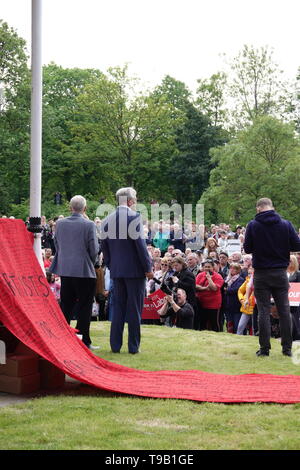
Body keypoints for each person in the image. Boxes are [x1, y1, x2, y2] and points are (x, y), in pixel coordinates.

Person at [244, 197, 300, 357]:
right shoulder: (285, 224)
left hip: (261, 273)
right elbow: (297, 245)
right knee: (284, 310)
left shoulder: (253, 225)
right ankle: (287, 349)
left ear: (258, 209)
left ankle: (264, 349)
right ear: (272, 207)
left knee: (263, 311)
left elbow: (247, 248)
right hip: (280, 273)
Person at [101, 187, 153, 354]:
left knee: (117, 309)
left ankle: (115, 346)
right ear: (130, 201)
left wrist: (111, 266)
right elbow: (140, 247)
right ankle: (133, 347)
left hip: (117, 271)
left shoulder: (106, 220)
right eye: (135, 199)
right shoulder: (134, 217)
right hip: (135, 271)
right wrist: (148, 268)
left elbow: (105, 248)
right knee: (134, 310)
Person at [49, 195, 99, 349]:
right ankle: (83, 341)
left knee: (66, 306)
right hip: (84, 271)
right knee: (84, 307)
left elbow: (57, 244)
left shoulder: (60, 224)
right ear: (84, 209)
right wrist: (90, 261)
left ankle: (64, 340)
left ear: (70, 208)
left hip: (66, 270)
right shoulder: (89, 224)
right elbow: (94, 249)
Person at [196, 259, 224, 331]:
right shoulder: (200, 275)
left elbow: (214, 288)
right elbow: (195, 286)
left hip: (213, 304)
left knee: (214, 322)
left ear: (213, 268)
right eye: (205, 267)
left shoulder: (218, 276)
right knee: (202, 322)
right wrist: (205, 288)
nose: (207, 269)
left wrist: (209, 278)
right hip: (201, 302)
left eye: (209, 267)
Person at [224, 263, 245, 333]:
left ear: (238, 270)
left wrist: (226, 290)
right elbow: (222, 287)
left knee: (237, 324)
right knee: (229, 323)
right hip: (228, 305)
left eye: (234, 268)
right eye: (231, 268)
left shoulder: (240, 279)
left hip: (236, 305)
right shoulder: (227, 278)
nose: (231, 270)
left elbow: (236, 289)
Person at [287, 255, 300, 341]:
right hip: (284, 298)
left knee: (294, 317)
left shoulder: (298, 274)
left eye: (290, 261)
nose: (288, 263)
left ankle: (296, 335)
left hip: (295, 300)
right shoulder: (283, 273)